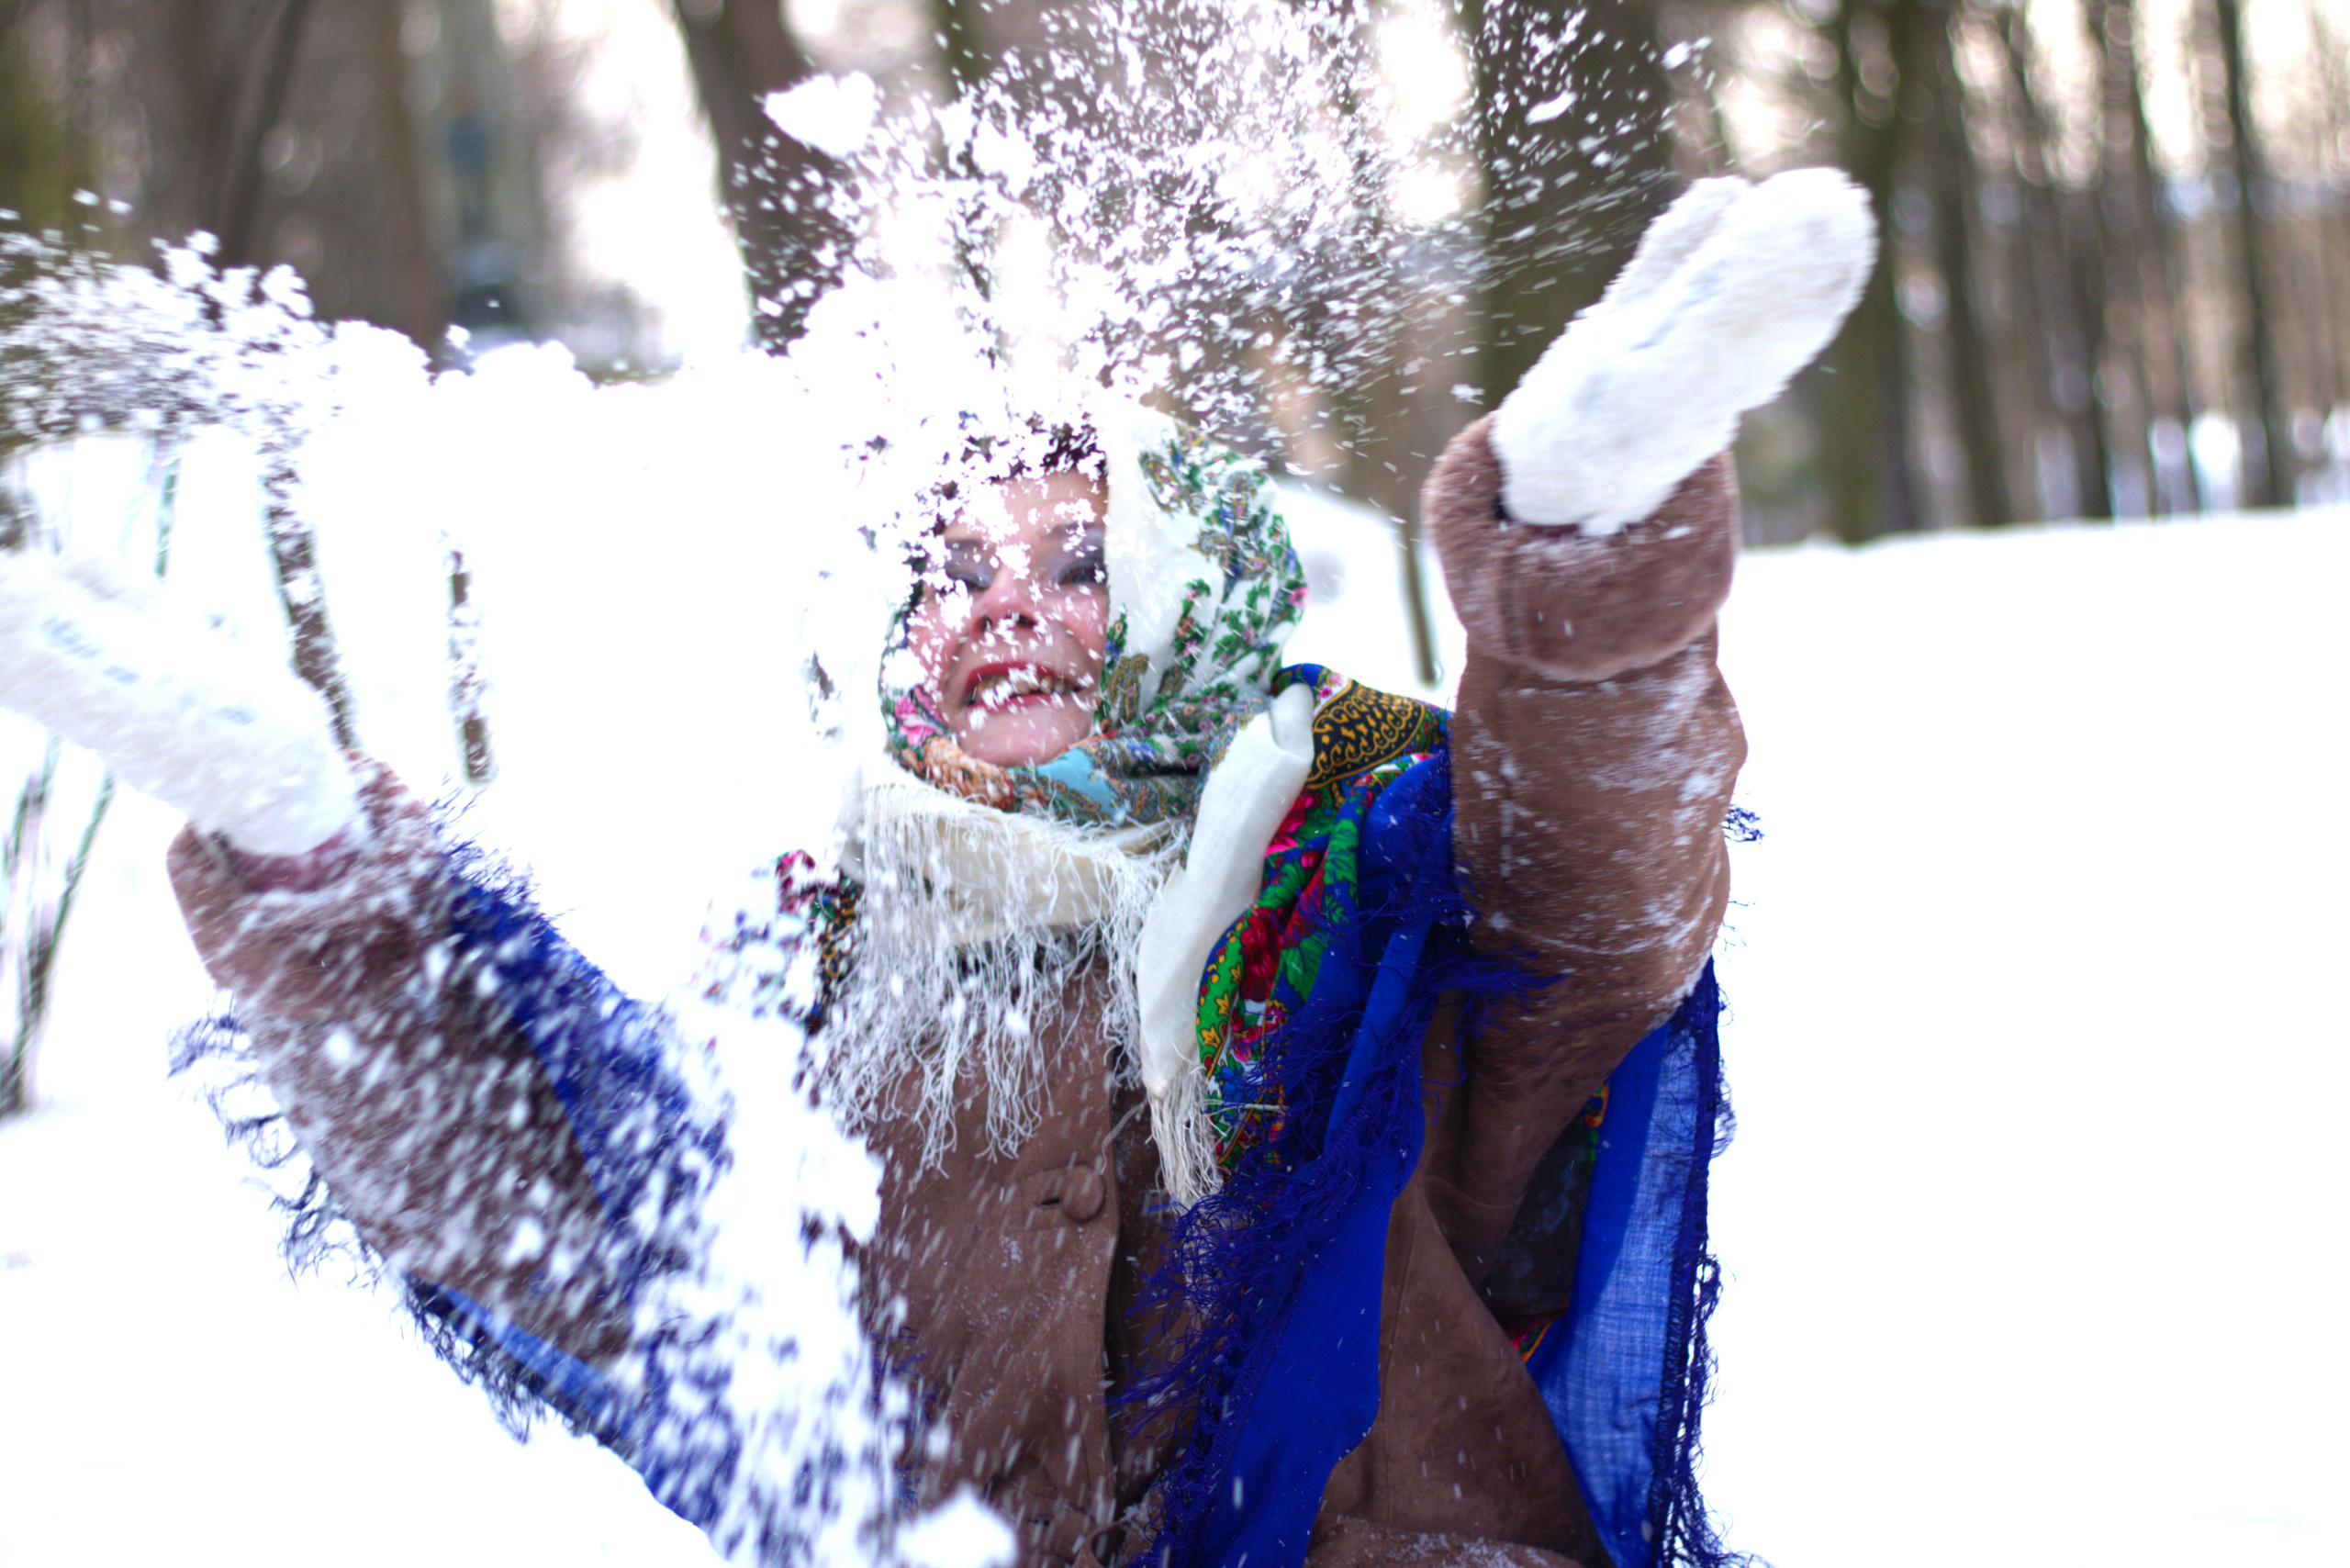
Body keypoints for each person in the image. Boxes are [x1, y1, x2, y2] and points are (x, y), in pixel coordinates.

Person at [0, 171, 1873, 1568]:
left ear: (1190, 597)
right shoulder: (829, 953)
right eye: (953, 567)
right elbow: (588, 1213)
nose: (1004, 610)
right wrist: (317, 864)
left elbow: (1593, 887)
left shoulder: (1371, 855)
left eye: (1075, 562)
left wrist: (1577, 553)